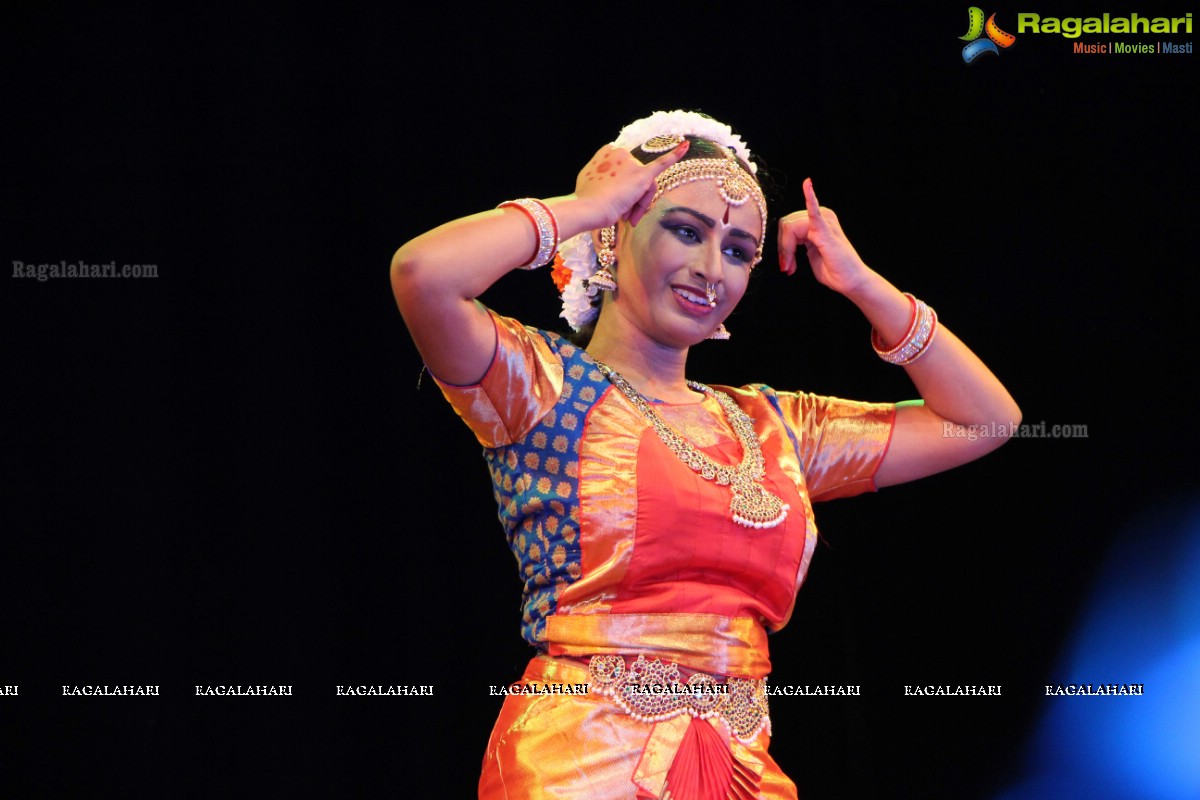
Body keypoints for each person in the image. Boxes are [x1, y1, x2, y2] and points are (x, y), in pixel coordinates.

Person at [390, 110, 1020, 800]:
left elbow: (985, 421)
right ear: (617, 237)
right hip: (580, 763)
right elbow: (425, 275)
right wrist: (582, 207)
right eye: (685, 231)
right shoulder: (540, 388)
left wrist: (864, 285)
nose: (709, 268)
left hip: (742, 767)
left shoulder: (773, 427)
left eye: (738, 250)